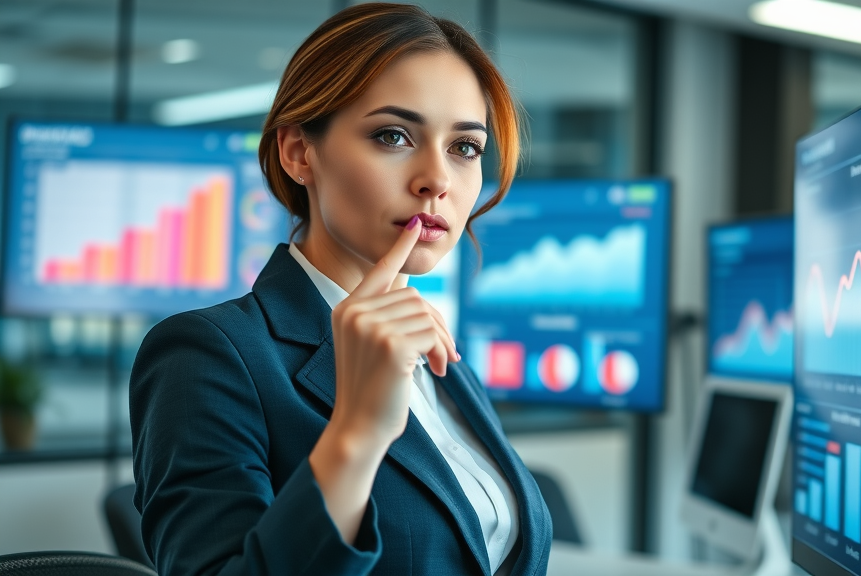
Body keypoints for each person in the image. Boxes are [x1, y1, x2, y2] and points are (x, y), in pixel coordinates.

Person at [129, 4, 553, 575]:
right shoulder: (207, 355)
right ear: (299, 153)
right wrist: (356, 432)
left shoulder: (442, 362)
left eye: (465, 147)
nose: (438, 179)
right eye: (393, 135)